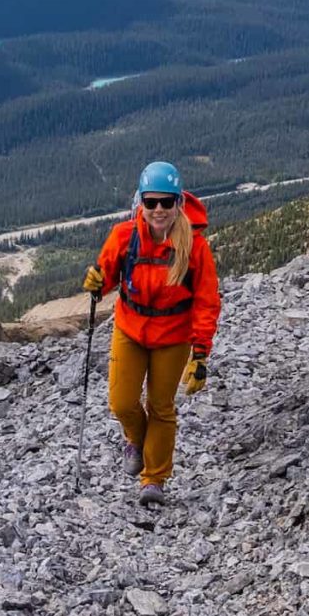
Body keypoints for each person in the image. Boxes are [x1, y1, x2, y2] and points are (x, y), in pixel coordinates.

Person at [82, 159, 220, 502]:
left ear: (179, 203)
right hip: (130, 329)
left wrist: (200, 353)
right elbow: (107, 276)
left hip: (173, 337)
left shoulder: (195, 248)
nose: (158, 210)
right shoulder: (123, 237)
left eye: (166, 202)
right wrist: (96, 284)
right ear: (140, 202)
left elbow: (206, 302)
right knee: (121, 402)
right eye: (151, 202)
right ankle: (136, 440)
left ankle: (154, 479)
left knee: (161, 406)